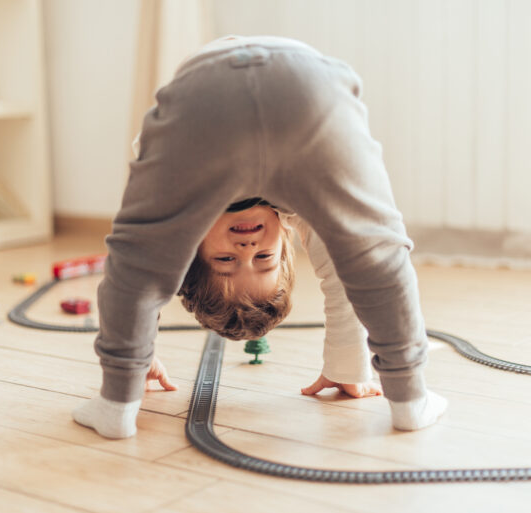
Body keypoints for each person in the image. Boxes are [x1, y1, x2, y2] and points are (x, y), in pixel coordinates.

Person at [72, 35, 447, 439]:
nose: (247, 249)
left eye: (227, 262)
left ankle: (115, 411)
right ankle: (411, 401)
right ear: (287, 241)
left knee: (141, 260)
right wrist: (347, 366)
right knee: (373, 249)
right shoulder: (305, 205)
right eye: (265, 259)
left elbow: (140, 272)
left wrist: (127, 379)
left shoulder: (179, 201)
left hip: (206, 97)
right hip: (306, 85)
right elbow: (357, 269)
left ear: (189, 248)